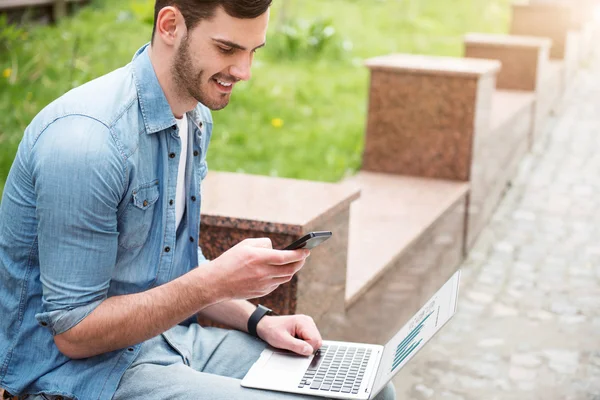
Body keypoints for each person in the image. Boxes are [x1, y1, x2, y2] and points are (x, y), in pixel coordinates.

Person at [0, 1, 396, 399]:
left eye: (252, 51)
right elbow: (74, 333)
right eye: (227, 49)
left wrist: (258, 320)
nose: (244, 72)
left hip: (167, 342)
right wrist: (215, 282)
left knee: (375, 388)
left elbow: (174, 262)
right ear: (170, 25)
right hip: (73, 376)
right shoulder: (88, 143)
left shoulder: (194, 117)